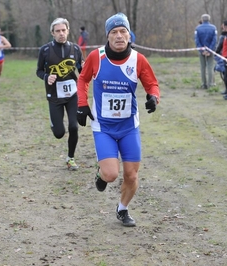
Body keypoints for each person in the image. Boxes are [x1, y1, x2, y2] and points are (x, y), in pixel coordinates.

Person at [76, 13, 160, 227]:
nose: (119, 36)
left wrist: (153, 97)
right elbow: (83, 79)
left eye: (123, 31)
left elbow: (152, 84)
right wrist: (82, 104)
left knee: (131, 176)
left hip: (129, 127)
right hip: (103, 127)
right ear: (108, 36)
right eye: (114, 32)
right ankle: (101, 174)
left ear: (129, 35)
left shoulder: (138, 59)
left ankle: (122, 209)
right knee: (111, 174)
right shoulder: (97, 57)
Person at [36, 18, 83, 171]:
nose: (61, 33)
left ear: (68, 31)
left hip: (72, 95)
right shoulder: (45, 50)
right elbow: (39, 71)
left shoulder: (76, 49)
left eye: (64, 30)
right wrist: (46, 77)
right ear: (52, 33)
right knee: (59, 133)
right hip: (54, 96)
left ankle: (70, 158)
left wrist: (85, 69)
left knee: (74, 127)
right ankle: (54, 125)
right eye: (58, 31)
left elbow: (81, 71)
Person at [194, 14, 217, 89]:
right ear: (209, 19)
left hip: (201, 51)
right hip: (210, 50)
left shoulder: (197, 28)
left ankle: (204, 84)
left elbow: (197, 40)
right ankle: (211, 83)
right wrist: (209, 50)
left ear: (202, 19)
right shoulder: (213, 28)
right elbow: (214, 40)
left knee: (202, 67)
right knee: (210, 67)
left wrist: (202, 50)